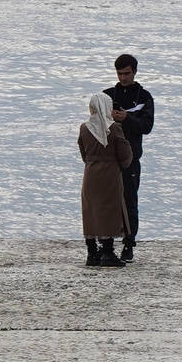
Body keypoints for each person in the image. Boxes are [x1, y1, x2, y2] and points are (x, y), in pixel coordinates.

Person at [104, 53, 155, 262]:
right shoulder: (107, 95)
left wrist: (127, 118)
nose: (122, 77)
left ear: (134, 72)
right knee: (106, 202)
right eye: (119, 73)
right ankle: (105, 243)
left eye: (126, 73)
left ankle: (128, 243)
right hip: (109, 159)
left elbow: (147, 126)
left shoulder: (144, 97)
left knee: (129, 201)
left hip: (131, 159)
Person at [77, 92, 134, 267]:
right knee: (109, 210)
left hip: (91, 174)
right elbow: (124, 155)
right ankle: (108, 252)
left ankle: (92, 252)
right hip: (109, 174)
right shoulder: (114, 128)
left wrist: (92, 161)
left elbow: (83, 153)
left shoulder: (84, 128)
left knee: (91, 210)